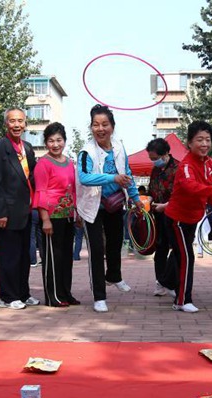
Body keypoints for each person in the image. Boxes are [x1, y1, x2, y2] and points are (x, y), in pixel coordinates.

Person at [153, 121, 212, 312]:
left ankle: (167, 282)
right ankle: (183, 301)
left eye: (208, 140)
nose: (204, 144)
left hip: (193, 218)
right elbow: (191, 188)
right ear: (189, 143)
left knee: (179, 256)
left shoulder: (208, 163)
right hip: (177, 219)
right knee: (186, 258)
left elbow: (206, 185)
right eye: (199, 140)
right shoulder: (186, 165)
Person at [75, 104, 143, 313]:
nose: (100, 128)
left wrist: (136, 198)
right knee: (96, 250)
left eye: (105, 124)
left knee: (115, 244)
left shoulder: (120, 148)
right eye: (96, 125)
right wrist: (112, 177)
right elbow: (84, 178)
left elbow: (128, 174)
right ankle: (99, 297)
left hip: (115, 203)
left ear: (112, 126)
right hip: (92, 206)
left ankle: (114, 276)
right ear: (91, 127)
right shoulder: (86, 152)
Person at [0, 108, 40, 310]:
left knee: (24, 255)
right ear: (6, 124)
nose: (17, 125)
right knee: (9, 255)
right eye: (12, 121)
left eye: (20, 121)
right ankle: (7, 296)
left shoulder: (28, 148)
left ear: (25, 123)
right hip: (7, 214)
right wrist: (0, 212)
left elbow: (32, 178)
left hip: (26, 211)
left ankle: (23, 293)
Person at [33, 122, 78, 307]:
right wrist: (45, 220)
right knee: (52, 259)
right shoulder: (43, 164)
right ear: (46, 143)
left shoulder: (69, 163)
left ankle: (66, 293)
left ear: (65, 141)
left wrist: (77, 213)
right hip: (51, 218)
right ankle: (54, 297)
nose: (56, 144)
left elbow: (74, 190)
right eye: (51, 141)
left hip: (68, 217)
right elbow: (41, 192)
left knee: (67, 258)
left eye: (59, 140)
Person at [147, 137, 178, 297]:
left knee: (177, 248)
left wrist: (165, 206)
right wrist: (149, 199)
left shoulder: (178, 168)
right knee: (160, 248)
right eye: (151, 159)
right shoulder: (155, 170)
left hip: (174, 214)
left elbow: (179, 194)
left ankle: (171, 281)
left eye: (155, 158)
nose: (154, 162)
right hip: (157, 215)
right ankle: (160, 281)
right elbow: (152, 190)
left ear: (165, 153)